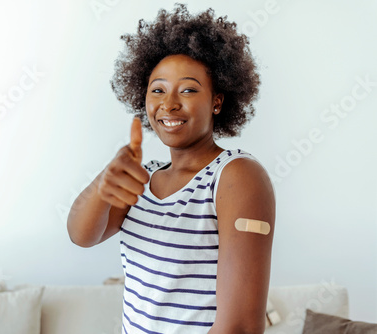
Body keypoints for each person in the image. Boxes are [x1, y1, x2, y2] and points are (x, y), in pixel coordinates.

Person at [67, 3, 275, 334]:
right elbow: (81, 236)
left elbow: (241, 326)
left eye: (189, 89)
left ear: (217, 101)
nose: (169, 103)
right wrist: (103, 182)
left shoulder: (236, 176)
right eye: (158, 90)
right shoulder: (141, 177)